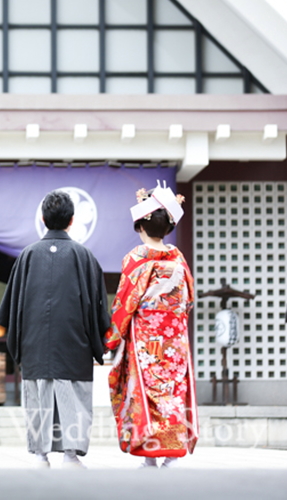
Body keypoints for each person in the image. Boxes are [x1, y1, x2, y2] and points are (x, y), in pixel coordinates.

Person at [0, 190, 110, 469]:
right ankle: (70, 456)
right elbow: (98, 308)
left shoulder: (27, 255)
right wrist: (98, 342)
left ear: (43, 219)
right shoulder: (84, 256)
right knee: (72, 397)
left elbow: (11, 307)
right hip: (74, 343)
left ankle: (40, 456)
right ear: (71, 220)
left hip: (35, 343)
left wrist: (21, 343)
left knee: (39, 395)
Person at [106, 183, 199, 469]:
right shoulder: (179, 260)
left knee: (145, 391)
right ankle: (171, 454)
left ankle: (149, 453)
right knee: (172, 391)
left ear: (140, 227)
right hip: (175, 339)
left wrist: (112, 337)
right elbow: (189, 299)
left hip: (146, 338)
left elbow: (125, 302)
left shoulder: (136, 259)